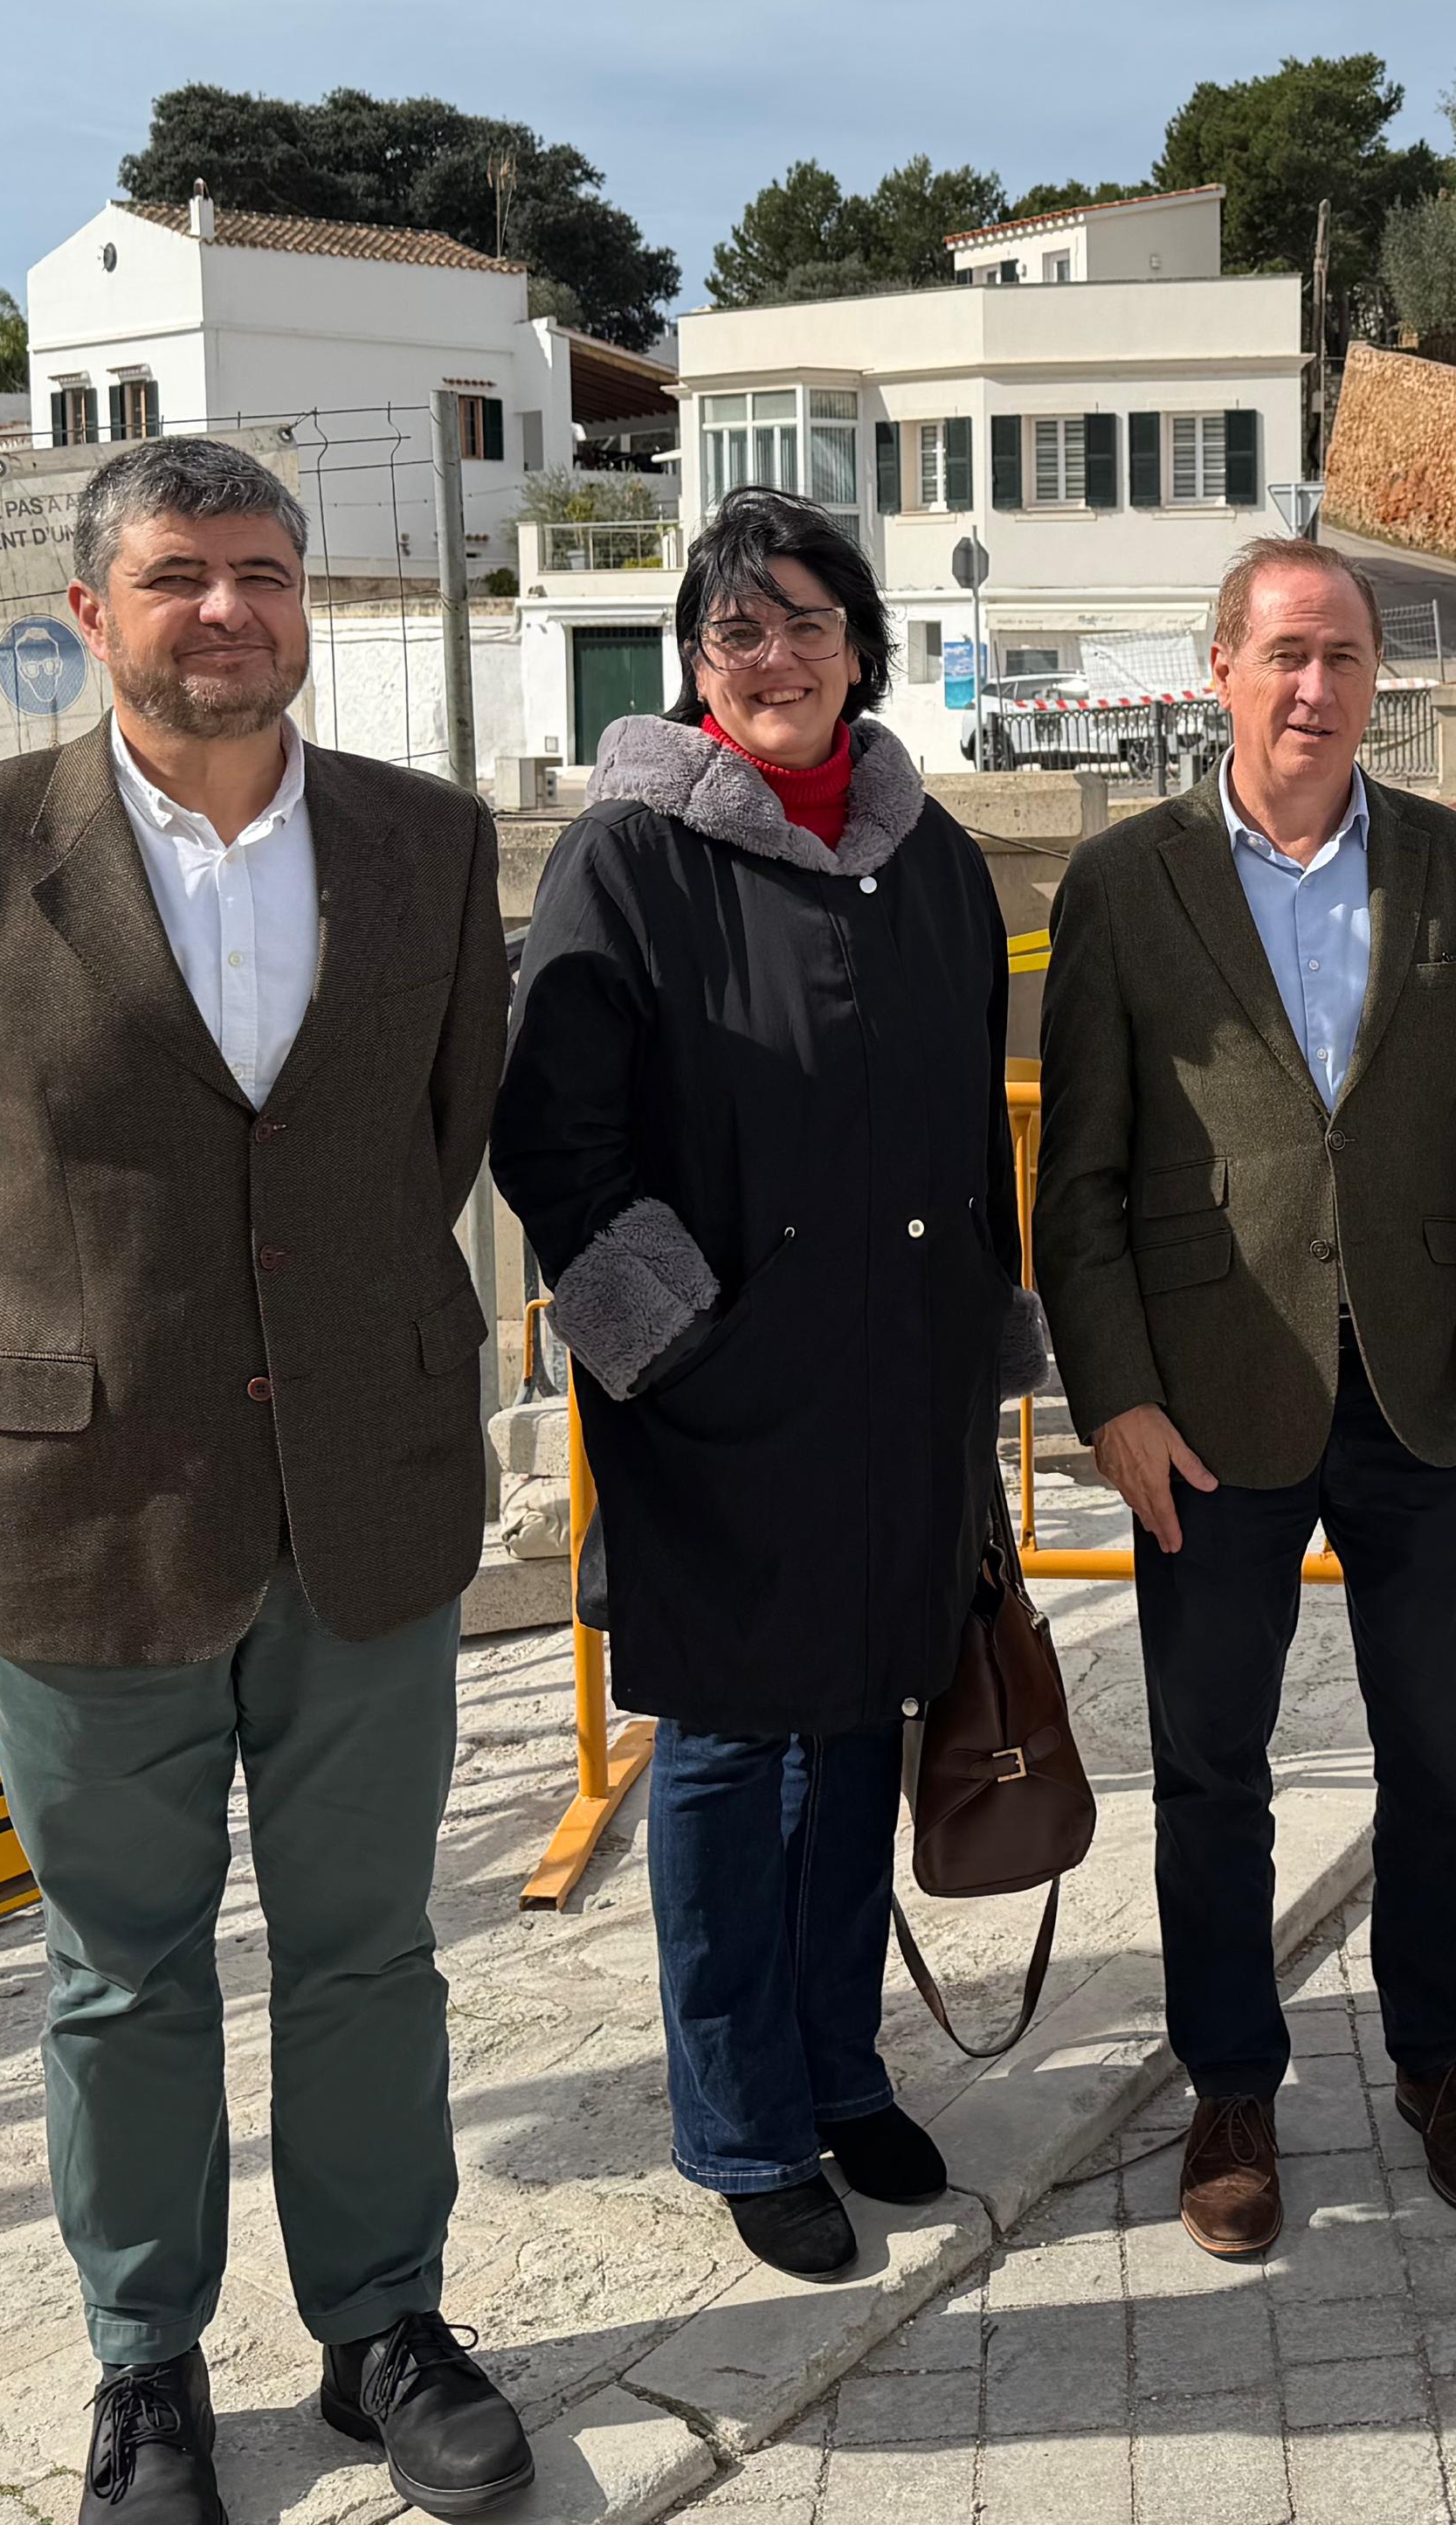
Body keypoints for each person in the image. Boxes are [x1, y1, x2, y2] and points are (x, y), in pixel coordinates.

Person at [0, 438, 531, 2525]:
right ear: (92, 613)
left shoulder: (422, 841)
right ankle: (146, 2368)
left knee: (367, 1948)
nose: (227, 609)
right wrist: (48, 1384)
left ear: (302, 601)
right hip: (81, 1514)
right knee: (121, 1972)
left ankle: (382, 2325)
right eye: (178, 575)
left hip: (366, 1492)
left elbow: (440, 1136)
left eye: (262, 572)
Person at [493, 488, 1034, 2280]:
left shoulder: (929, 859)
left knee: (862, 1730)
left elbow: (968, 1131)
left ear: (861, 649)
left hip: (900, 1391)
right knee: (732, 1758)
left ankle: (838, 2067)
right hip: (715, 1402)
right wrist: (674, 1343)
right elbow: (554, 1143)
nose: (776, 655)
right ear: (695, 663)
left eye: (808, 621)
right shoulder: (628, 858)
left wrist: (983, 1344)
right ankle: (740, 2121)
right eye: (738, 628)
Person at [1036, 537, 1456, 2257]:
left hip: (1428, 1391)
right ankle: (1231, 2087)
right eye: (1283, 655)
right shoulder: (1126, 882)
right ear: (1222, 672)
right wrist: (1113, 1396)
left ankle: (1440, 2055)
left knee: (1446, 1759)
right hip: (1206, 1401)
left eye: (1342, 656)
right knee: (1210, 1769)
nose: (1314, 688)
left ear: (1373, 676)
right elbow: (1080, 1177)